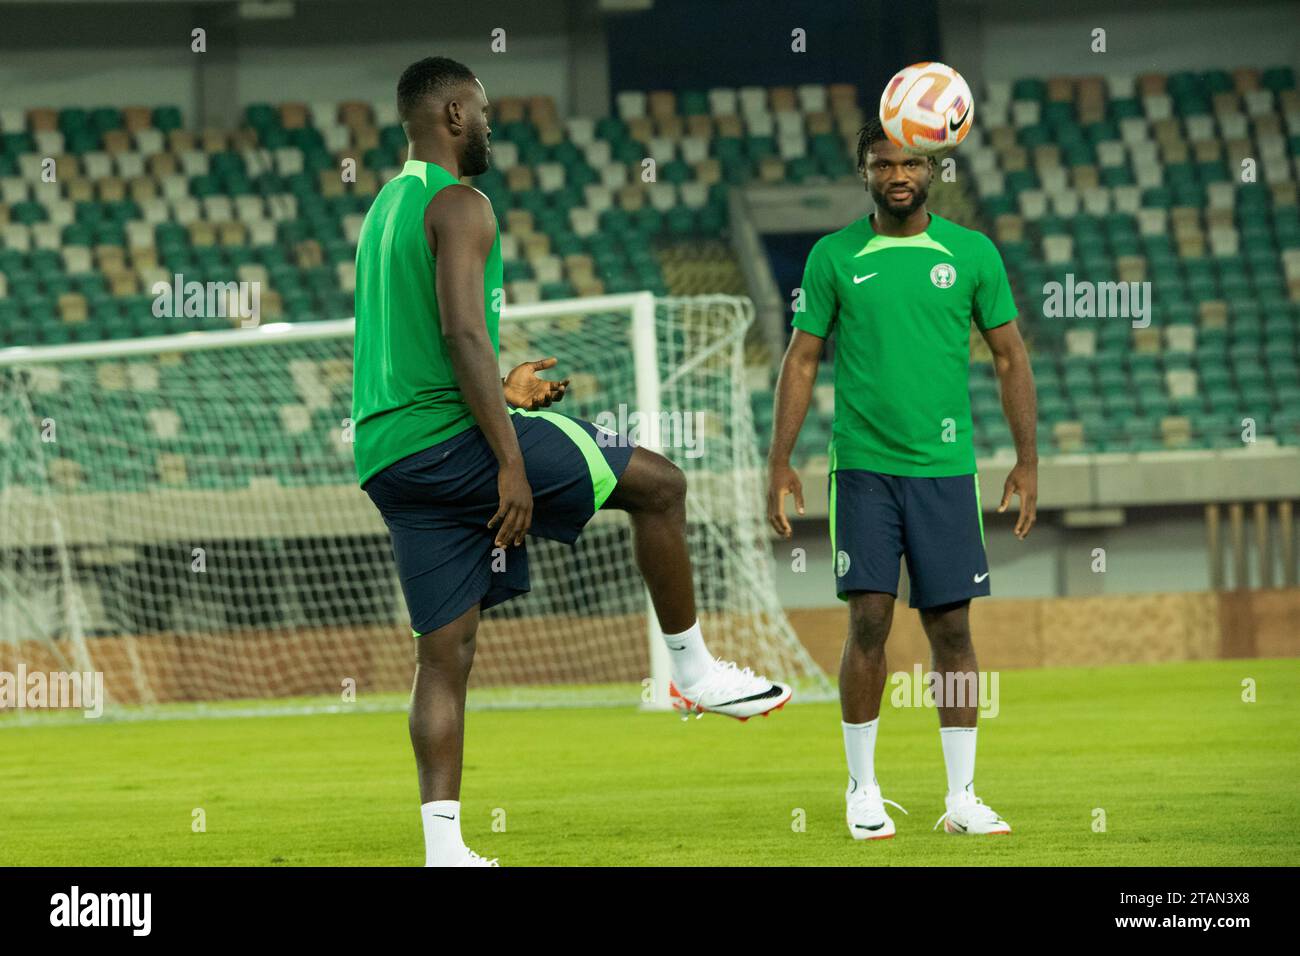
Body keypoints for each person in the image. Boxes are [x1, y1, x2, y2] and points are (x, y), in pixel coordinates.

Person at [766, 117, 1037, 840]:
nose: (897, 173)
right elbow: (800, 361)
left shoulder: (972, 253)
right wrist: (780, 460)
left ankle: (962, 797)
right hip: (862, 469)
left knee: (951, 629)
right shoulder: (833, 257)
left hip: (945, 472)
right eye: (883, 162)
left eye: (911, 162)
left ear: (932, 171)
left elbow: (1011, 357)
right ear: (864, 172)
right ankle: (862, 790)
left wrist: (1028, 460)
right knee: (870, 620)